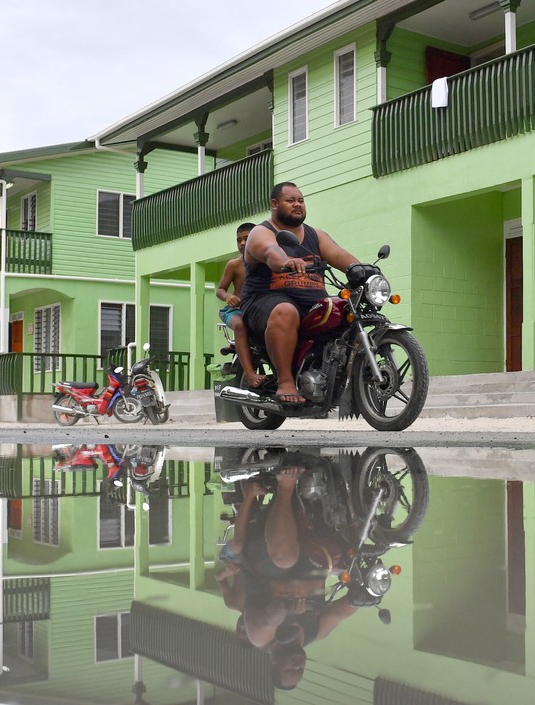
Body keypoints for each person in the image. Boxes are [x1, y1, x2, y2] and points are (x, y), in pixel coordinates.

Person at [216, 455, 361, 690]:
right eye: (300, 670)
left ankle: (285, 488)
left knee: (285, 559)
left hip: (265, 562)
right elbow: (341, 613)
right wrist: (364, 597)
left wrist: (282, 610)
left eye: (290, 669)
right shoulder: (316, 632)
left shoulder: (261, 639)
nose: (297, 665)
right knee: (352, 555)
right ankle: (357, 485)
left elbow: (268, 618)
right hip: (312, 562)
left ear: (274, 665)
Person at [239, 182, 360, 405]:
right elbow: (270, 250)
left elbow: (339, 254)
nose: (297, 204)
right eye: (290, 200)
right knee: (286, 311)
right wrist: (285, 260)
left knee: (347, 311)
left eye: (301, 200)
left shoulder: (316, 235)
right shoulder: (261, 232)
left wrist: (362, 270)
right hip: (264, 301)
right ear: (274, 204)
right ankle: (285, 381)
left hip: (310, 303)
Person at [217, 223, 265, 388]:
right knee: (239, 325)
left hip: (258, 310)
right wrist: (228, 296)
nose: (242, 243)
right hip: (235, 311)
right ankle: (250, 374)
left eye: (247, 238)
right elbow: (220, 290)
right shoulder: (234, 265)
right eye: (239, 240)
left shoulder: (268, 262)